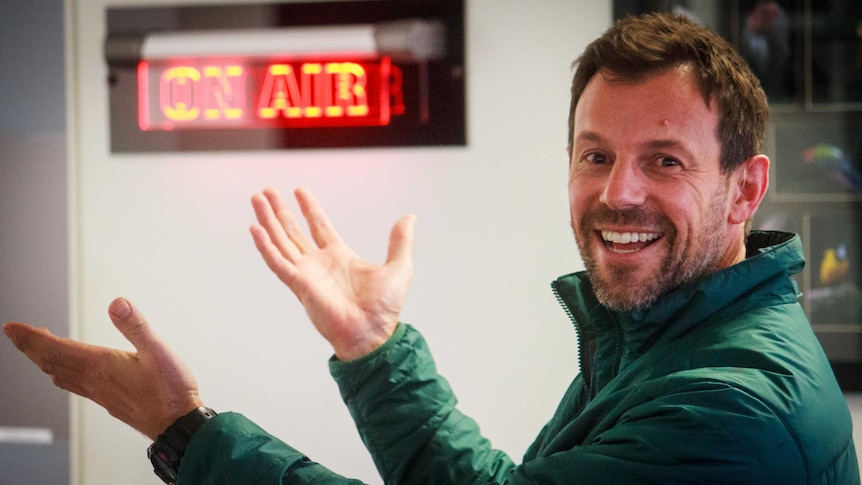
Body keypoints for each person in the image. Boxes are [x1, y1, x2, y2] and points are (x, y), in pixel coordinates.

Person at [4, 13, 859, 484]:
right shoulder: (666, 333)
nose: (616, 193)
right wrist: (374, 350)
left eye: (663, 161)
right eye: (595, 155)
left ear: (745, 188)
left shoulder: (733, 410)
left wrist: (185, 434)